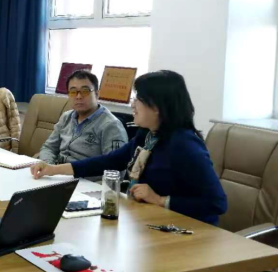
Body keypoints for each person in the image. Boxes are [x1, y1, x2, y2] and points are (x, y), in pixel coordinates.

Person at [31, 70, 228, 226]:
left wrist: (159, 199)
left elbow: (217, 203)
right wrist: (54, 170)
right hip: (150, 220)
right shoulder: (147, 135)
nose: (133, 104)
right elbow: (111, 161)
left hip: (186, 231)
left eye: (138, 98)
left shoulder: (184, 144)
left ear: (157, 106)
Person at [39, 70, 127, 165]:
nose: (78, 96)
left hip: (84, 174)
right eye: (73, 92)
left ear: (97, 94)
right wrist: (49, 166)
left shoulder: (111, 126)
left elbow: (115, 167)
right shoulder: (66, 117)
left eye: (85, 91)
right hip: (56, 170)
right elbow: (49, 147)